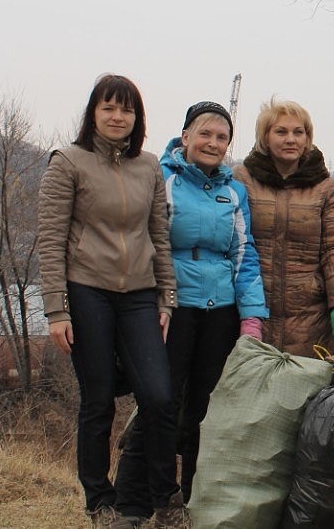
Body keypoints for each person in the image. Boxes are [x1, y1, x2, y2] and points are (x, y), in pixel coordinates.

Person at [114, 101, 268, 524]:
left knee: (205, 407)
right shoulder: (160, 177)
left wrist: (252, 316)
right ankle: (132, 503)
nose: (213, 143)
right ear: (185, 137)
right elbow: (140, 239)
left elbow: (244, 252)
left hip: (219, 310)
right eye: (205, 134)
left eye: (222, 138)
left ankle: (193, 502)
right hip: (169, 306)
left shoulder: (234, 190)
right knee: (159, 402)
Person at [37, 74, 180, 528]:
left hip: (139, 295)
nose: (118, 117)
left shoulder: (149, 166)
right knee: (98, 399)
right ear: (93, 113)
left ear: (137, 117)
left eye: (127, 109)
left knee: (158, 397)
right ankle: (101, 501)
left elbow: (159, 234)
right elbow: (51, 238)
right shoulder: (69, 162)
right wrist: (56, 310)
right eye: (108, 108)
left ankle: (166, 498)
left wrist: (166, 298)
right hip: (86, 291)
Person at [234, 99, 334, 356]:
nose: (291, 139)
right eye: (281, 132)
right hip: (253, 310)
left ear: (307, 139)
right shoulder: (242, 179)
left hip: (309, 316)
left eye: (298, 132)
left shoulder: (324, 186)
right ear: (265, 137)